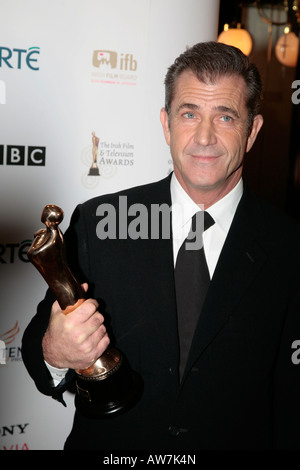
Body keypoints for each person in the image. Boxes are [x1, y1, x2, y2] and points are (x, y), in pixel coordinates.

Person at [22, 41, 300, 450]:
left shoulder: (289, 246)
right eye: (189, 114)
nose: (204, 137)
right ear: (167, 124)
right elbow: (35, 344)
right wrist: (55, 350)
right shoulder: (101, 221)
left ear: (252, 130)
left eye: (225, 116)